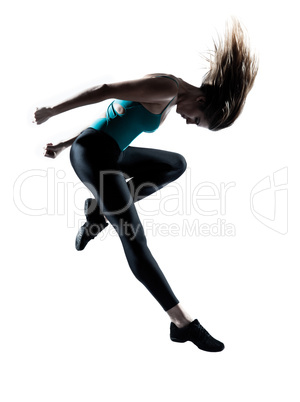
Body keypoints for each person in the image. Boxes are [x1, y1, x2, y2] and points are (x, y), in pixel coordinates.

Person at [33, 17, 258, 353]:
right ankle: (183, 323)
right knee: (134, 238)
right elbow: (105, 92)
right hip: (94, 156)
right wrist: (53, 110)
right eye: (196, 119)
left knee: (174, 164)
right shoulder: (166, 87)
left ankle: (99, 213)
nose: (188, 121)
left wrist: (63, 143)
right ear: (201, 102)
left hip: (109, 151)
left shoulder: (171, 96)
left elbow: (113, 121)